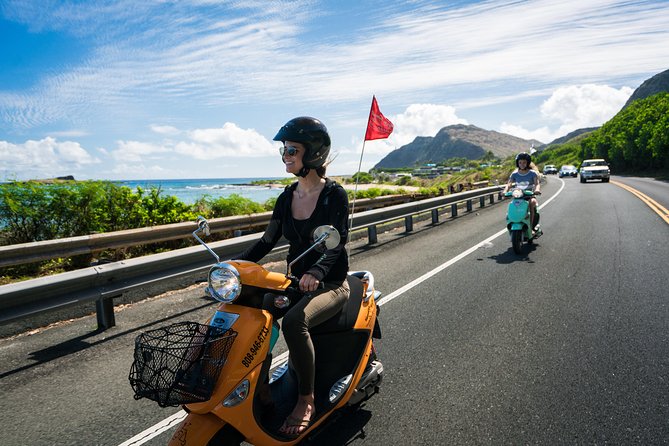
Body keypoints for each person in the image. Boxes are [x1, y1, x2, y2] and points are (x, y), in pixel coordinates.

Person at [235, 116, 350, 437]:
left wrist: (316, 271)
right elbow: (266, 241)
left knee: (296, 321)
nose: (285, 155)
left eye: (291, 149)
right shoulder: (287, 197)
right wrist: (232, 265)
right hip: (295, 282)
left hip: (330, 284)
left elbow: (336, 243)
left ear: (312, 154)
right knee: (258, 312)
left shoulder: (334, 196)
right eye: (283, 150)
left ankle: (306, 399)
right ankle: (261, 389)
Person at [503, 152, 541, 232]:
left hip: (529, 195)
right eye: (520, 162)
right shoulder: (514, 174)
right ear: (517, 163)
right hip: (518, 196)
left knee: (532, 202)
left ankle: (530, 227)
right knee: (511, 205)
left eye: (524, 162)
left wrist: (537, 190)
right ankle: (511, 222)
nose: (522, 164)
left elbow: (537, 183)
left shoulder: (532, 173)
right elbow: (509, 184)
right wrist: (505, 191)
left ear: (527, 163)